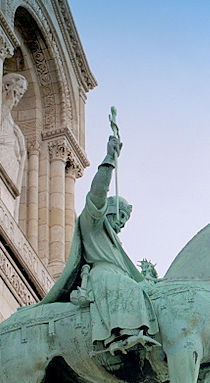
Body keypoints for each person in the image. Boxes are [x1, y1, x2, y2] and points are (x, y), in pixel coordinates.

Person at [36, 119, 158, 356]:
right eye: (120, 215)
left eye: (125, 218)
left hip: (120, 276)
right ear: (108, 211)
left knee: (139, 289)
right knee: (123, 286)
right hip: (101, 276)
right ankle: (120, 335)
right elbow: (97, 193)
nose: (122, 221)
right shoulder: (93, 222)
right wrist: (109, 161)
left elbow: (133, 274)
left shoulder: (115, 244)